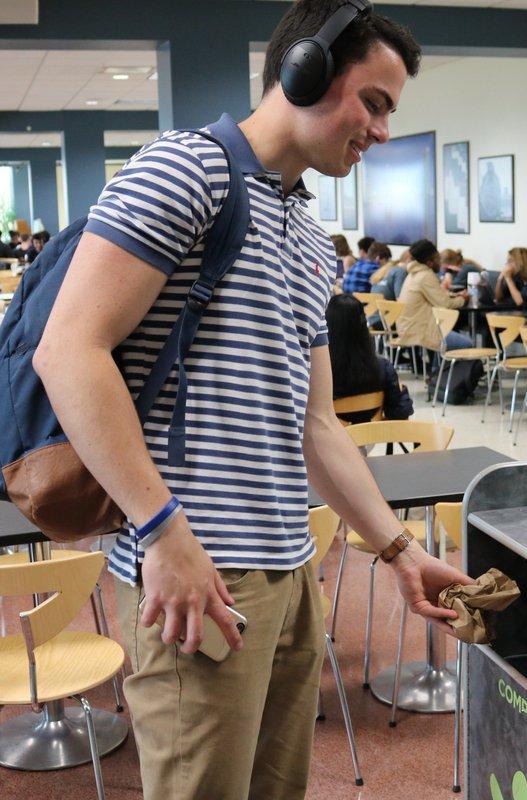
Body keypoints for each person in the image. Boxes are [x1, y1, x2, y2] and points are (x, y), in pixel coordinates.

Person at [33, 3, 472, 797]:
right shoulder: (186, 170)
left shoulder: (307, 234)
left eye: (389, 112)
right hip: (197, 566)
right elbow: (69, 350)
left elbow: (318, 426)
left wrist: (398, 551)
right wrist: (163, 532)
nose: (379, 130)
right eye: (372, 101)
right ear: (303, 70)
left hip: (292, 569)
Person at [326, 293, 412, 423]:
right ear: (363, 326)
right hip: (371, 435)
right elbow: (399, 415)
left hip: (330, 438)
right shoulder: (382, 367)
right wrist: (402, 391)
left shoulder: (319, 373)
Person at [395, 238, 472, 358]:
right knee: (467, 344)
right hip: (420, 331)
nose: (440, 263)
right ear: (429, 262)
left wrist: (455, 295)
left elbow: (437, 296)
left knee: (446, 331)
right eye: (438, 259)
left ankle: (437, 371)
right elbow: (445, 304)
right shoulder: (426, 276)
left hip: (408, 327)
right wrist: (463, 299)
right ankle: (445, 373)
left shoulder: (413, 274)